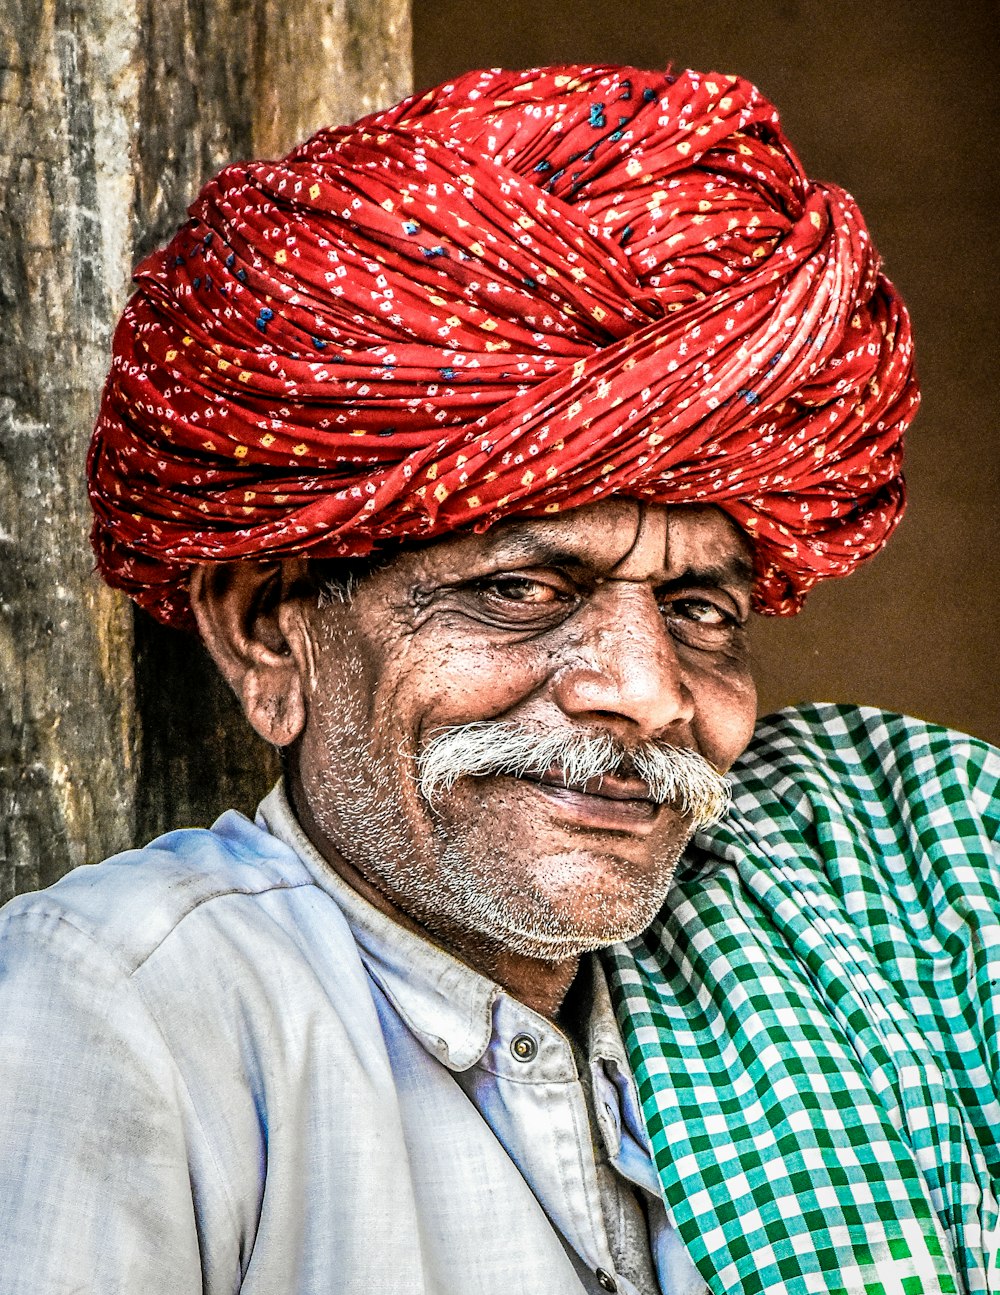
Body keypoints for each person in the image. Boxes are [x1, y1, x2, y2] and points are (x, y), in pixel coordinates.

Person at [0, 64, 995, 1295]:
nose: (645, 692)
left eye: (697, 609)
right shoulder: (129, 1010)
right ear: (271, 635)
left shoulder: (838, 939)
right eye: (523, 590)